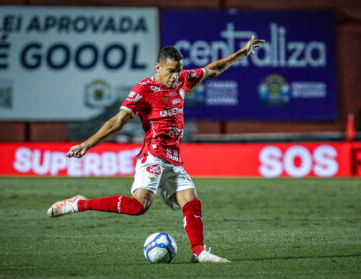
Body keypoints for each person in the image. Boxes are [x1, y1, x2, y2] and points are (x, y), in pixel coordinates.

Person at [47, 36, 264, 263]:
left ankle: (199, 252)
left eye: (178, 71)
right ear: (158, 67)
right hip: (152, 155)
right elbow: (117, 121)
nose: (174, 77)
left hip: (173, 158)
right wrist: (86, 144)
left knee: (190, 200)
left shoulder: (183, 79)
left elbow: (213, 69)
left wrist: (240, 53)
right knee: (137, 207)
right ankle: (79, 204)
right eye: (170, 71)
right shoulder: (144, 89)